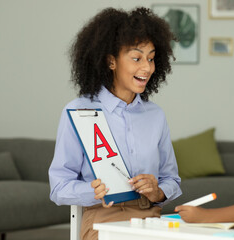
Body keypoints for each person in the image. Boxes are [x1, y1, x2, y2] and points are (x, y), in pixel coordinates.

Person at [48, 7, 182, 240]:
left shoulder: (155, 115)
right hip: (104, 218)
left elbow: (172, 180)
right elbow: (59, 188)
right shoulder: (78, 111)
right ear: (111, 61)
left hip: (150, 218)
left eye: (151, 58)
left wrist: (158, 191)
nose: (147, 67)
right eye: (137, 58)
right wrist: (94, 192)